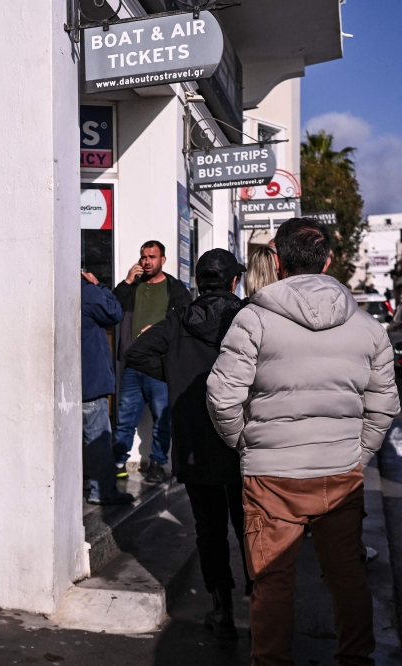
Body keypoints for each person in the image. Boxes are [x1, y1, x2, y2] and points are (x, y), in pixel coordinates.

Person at [207, 219, 400, 664]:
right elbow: (384, 404)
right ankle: (357, 659)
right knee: (347, 577)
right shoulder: (369, 328)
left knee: (272, 583)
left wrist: (249, 444)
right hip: (340, 473)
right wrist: (359, 453)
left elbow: (221, 396)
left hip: (271, 475)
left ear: (276, 262)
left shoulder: (253, 319)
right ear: (328, 261)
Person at [125, 249, 250, 640]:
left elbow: (135, 353)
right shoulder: (248, 318)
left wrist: (175, 372)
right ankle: (263, 603)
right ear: (233, 282)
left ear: (199, 283)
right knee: (252, 527)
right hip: (244, 442)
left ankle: (222, 608)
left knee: (209, 529)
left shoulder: (178, 321)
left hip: (196, 445)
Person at [113, 240, 192, 483]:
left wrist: (158, 330)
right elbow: (112, 308)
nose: (147, 262)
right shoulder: (132, 287)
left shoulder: (175, 289)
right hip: (132, 365)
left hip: (160, 366)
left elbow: (184, 322)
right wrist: (126, 282)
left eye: (152, 257)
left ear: (163, 260)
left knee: (162, 418)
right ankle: (117, 463)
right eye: (143, 257)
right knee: (124, 418)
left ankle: (158, 462)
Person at [81, 271, 135, 506]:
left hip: (65, 382)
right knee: (97, 438)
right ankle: (101, 490)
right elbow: (114, 312)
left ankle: (82, 483)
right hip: (90, 381)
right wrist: (98, 284)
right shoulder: (87, 291)